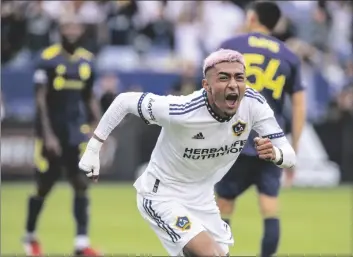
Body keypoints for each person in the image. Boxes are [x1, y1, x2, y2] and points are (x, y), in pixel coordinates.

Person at [79, 48, 296, 256]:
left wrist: (275, 155)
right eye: (223, 78)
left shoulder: (253, 105)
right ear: (206, 85)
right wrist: (93, 148)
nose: (233, 84)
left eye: (239, 77)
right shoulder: (182, 110)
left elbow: (290, 156)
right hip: (161, 194)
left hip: (203, 198)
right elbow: (124, 101)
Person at [214, 2, 306, 257]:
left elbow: (209, 93)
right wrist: (293, 151)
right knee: (270, 209)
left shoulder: (230, 45)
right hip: (270, 144)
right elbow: (299, 108)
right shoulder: (288, 55)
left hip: (233, 140)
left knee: (223, 206)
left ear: (252, 17)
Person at [22, 16, 101, 256]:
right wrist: (47, 136)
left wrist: (98, 127)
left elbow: (89, 98)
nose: (72, 31)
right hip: (51, 131)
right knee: (44, 185)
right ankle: (30, 236)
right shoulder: (46, 60)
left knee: (80, 183)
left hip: (75, 131)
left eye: (76, 27)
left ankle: (81, 244)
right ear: (59, 31)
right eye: (67, 27)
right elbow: (40, 100)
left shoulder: (87, 61)